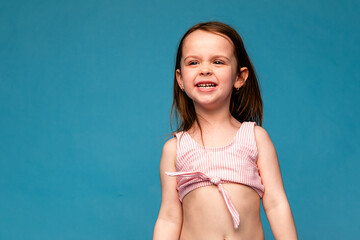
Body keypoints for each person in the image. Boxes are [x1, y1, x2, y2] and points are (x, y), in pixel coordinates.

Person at [153, 21, 297, 240]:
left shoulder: (255, 138)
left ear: (239, 77)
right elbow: (169, 217)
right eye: (193, 62)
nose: (205, 69)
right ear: (181, 79)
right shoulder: (175, 148)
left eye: (218, 61)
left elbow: (276, 204)